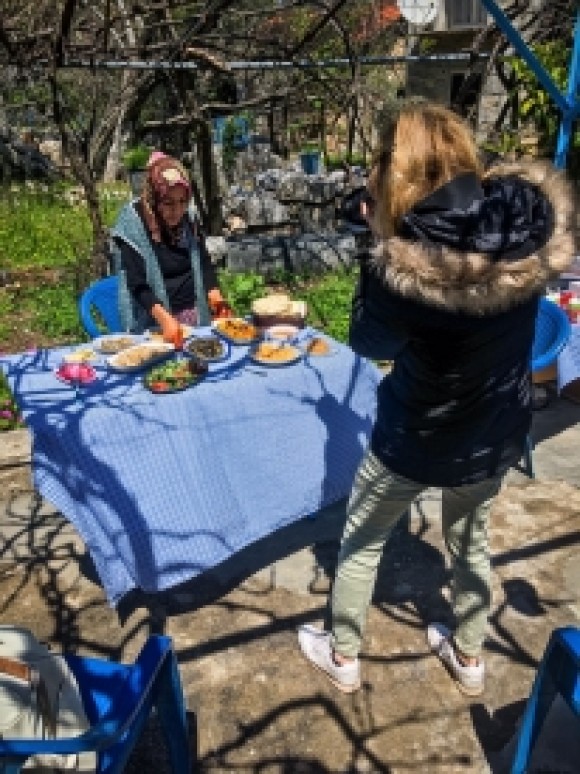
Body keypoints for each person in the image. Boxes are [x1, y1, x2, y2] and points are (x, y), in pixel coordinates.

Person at [298, 102, 576, 696]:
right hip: (497, 428)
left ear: (399, 172)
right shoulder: (525, 222)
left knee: (363, 539)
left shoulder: (406, 265)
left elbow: (370, 342)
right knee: (470, 541)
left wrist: (372, 246)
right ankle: (470, 656)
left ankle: (343, 652)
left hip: (416, 434)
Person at [110, 151, 230, 345]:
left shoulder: (188, 218)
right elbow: (136, 283)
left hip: (193, 316)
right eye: (168, 203)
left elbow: (203, 261)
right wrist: (166, 319)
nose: (177, 210)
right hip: (155, 321)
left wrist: (214, 295)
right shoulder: (133, 224)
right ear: (154, 198)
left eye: (183, 201)